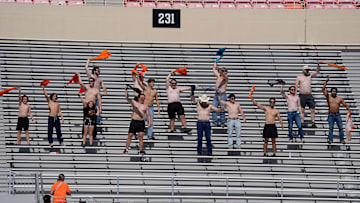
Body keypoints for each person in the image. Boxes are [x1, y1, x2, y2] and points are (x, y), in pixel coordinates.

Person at [123, 85, 150, 157]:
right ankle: (126, 149)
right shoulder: (134, 103)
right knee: (130, 135)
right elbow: (127, 98)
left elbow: (148, 115)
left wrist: (149, 123)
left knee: (140, 136)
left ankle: (140, 150)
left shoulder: (145, 106)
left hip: (141, 122)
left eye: (143, 96)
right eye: (141, 96)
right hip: (134, 121)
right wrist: (126, 90)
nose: (143, 97)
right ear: (139, 97)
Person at [322, 78, 351, 144]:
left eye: (335, 91)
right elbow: (323, 89)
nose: (334, 92)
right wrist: (326, 82)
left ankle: (342, 140)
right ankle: (330, 140)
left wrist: (349, 110)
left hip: (337, 114)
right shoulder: (328, 96)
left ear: (336, 92)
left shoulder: (339, 98)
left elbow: (345, 104)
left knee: (340, 127)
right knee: (331, 128)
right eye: (333, 91)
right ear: (331, 92)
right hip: (331, 114)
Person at [295, 63, 320, 128]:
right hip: (302, 95)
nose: (307, 71)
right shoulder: (299, 77)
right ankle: (302, 122)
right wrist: (295, 95)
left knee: (312, 109)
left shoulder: (309, 76)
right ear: (303, 70)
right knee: (302, 110)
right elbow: (296, 86)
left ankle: (313, 122)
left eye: (308, 70)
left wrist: (318, 65)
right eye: (306, 70)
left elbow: (317, 72)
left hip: (309, 95)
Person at [136, 72, 160, 140]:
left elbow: (157, 100)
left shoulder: (155, 91)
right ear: (149, 83)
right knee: (141, 121)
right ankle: (139, 135)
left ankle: (149, 136)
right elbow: (140, 84)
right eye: (152, 82)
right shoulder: (145, 88)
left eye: (153, 82)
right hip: (144, 106)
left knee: (150, 122)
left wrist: (158, 108)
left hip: (151, 107)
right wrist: (138, 76)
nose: (153, 84)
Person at [212, 62, 228, 127]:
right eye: (223, 71)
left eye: (224, 71)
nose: (224, 72)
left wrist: (219, 70)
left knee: (222, 109)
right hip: (217, 94)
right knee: (214, 109)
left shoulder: (225, 77)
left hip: (222, 95)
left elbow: (224, 77)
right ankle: (215, 123)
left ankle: (222, 123)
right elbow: (213, 69)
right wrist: (215, 63)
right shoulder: (219, 76)